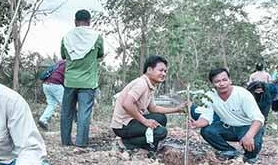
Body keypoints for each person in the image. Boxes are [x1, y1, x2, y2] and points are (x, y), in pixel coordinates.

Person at [110, 55, 187, 153]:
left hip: (132, 121)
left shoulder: (149, 85)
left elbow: (153, 108)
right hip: (122, 125)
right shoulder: (141, 83)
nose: (163, 74)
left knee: (161, 118)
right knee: (161, 132)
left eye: (165, 71)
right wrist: (145, 121)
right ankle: (125, 143)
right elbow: (127, 104)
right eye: (161, 70)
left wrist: (177, 109)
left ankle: (147, 146)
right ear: (149, 70)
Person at [190, 68, 265, 164]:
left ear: (230, 80)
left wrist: (249, 135)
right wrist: (196, 123)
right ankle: (229, 151)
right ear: (212, 84)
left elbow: (258, 118)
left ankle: (250, 156)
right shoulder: (209, 96)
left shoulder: (242, 94)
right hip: (227, 127)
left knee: (253, 146)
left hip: (247, 127)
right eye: (217, 81)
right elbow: (207, 118)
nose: (221, 84)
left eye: (224, 80)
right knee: (207, 131)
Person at [60, 9, 104, 147]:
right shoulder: (96, 37)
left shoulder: (66, 37)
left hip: (70, 80)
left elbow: (63, 56)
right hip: (88, 82)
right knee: (84, 113)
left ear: (75, 21)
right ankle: (81, 143)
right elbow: (100, 54)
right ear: (89, 21)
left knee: (67, 111)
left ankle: (66, 142)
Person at [37, 59, 66, 131]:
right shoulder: (68, 64)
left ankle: (43, 120)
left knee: (51, 104)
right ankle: (68, 123)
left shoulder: (59, 63)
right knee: (66, 104)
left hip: (46, 84)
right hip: (55, 84)